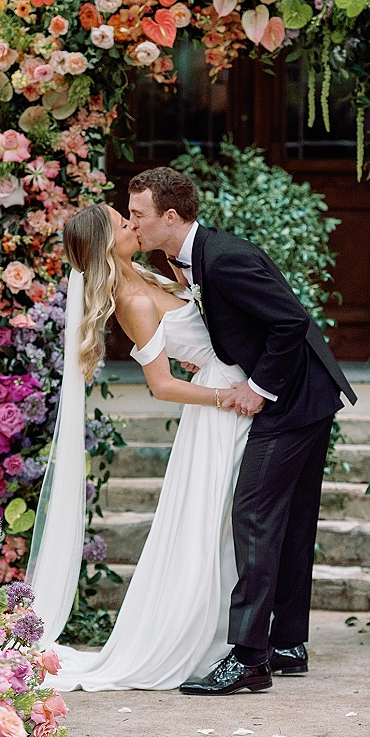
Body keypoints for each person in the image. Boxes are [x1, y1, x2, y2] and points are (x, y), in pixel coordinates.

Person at [128, 166, 357, 696]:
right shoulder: (194, 256)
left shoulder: (224, 258)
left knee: (253, 514)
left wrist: (256, 387)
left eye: (139, 214)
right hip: (306, 394)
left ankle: (251, 658)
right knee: (293, 519)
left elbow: (290, 321)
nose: (134, 224)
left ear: (170, 215)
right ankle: (288, 645)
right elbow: (241, 322)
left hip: (293, 398)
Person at [28, 202, 259, 691]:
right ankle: (218, 641)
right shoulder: (132, 302)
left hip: (227, 386)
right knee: (215, 523)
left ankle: (238, 637)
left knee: (228, 522)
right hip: (222, 409)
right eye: (121, 222)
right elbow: (162, 385)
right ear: (107, 244)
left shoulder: (155, 274)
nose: (132, 224)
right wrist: (228, 396)